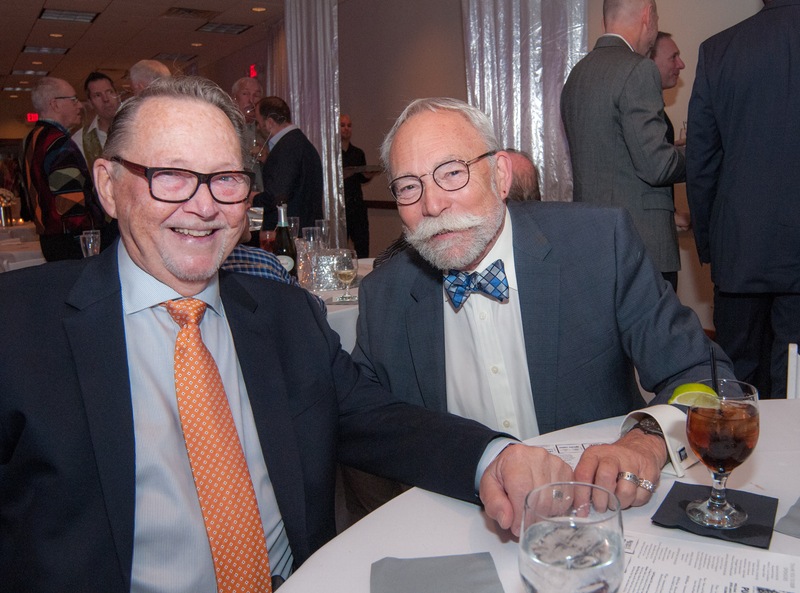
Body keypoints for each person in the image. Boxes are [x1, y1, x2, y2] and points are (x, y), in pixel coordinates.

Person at [0, 76, 576, 591]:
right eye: (171, 176)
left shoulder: (285, 315)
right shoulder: (19, 330)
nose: (203, 206)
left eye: (225, 179)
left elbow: (377, 420)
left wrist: (493, 458)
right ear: (107, 184)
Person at [352, 97, 733, 511]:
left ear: (499, 175)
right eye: (409, 186)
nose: (432, 204)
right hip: (463, 520)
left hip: (600, 510)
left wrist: (647, 441)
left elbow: (703, 373)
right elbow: (363, 424)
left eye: (452, 174)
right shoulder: (384, 296)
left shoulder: (599, 245)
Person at [686, 0, 800, 400]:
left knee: (735, 380)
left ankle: (732, 459)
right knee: (796, 377)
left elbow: (700, 162)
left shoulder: (720, 49)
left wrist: (711, 241)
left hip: (741, 243)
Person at [561, 0, 685, 291]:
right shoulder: (639, 69)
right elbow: (657, 166)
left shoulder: (576, 74)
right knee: (654, 336)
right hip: (641, 244)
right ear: (647, 16)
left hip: (593, 241)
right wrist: (701, 153)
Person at [20, 77, 105, 261]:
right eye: (73, 99)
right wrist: (91, 237)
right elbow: (70, 204)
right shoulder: (59, 143)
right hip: (72, 242)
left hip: (48, 239)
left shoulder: (30, 140)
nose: (80, 106)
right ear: (55, 104)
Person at [648, 31, 692, 285]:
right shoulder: (645, 108)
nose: (681, 64)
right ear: (650, 62)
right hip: (652, 244)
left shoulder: (654, 107)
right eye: (673, 56)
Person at [252, 96, 324, 231]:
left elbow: (277, 196)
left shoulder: (287, 147)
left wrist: (252, 199)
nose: (258, 127)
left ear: (269, 122)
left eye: (259, 122)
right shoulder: (298, 142)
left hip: (292, 233)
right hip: (305, 229)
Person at [340, 114, 378, 258]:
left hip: (357, 205)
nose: (346, 129)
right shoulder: (332, 153)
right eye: (342, 125)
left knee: (362, 245)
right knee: (340, 246)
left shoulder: (358, 152)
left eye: (349, 125)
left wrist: (368, 175)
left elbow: (361, 179)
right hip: (340, 207)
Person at [73, 72, 121, 174]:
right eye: (98, 95)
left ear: (118, 96)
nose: (106, 99)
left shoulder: (137, 129)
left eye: (109, 92)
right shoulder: (79, 141)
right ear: (90, 103)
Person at [231, 77, 266, 192]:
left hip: (260, 197)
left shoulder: (266, 130)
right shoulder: (227, 129)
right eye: (245, 94)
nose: (251, 100)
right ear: (234, 98)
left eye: (256, 95)